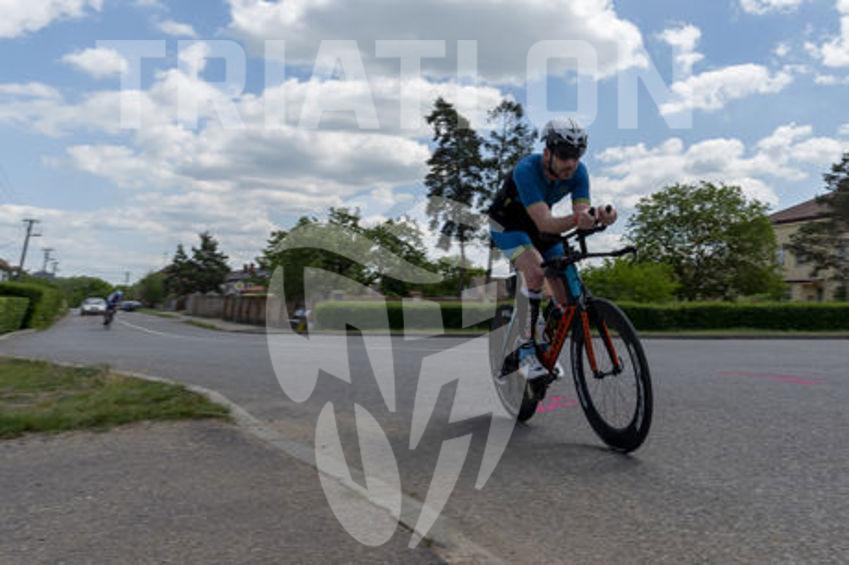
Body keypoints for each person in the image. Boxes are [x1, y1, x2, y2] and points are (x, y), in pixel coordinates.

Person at [487, 118, 617, 380]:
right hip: (507, 225)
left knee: (568, 294)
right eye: (564, 155)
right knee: (535, 273)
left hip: (540, 228)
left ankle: (544, 342)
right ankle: (525, 349)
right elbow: (545, 222)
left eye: (577, 155)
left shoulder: (579, 172)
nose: (571, 163)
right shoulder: (526, 170)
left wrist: (599, 216)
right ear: (547, 153)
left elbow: (581, 213)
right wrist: (578, 218)